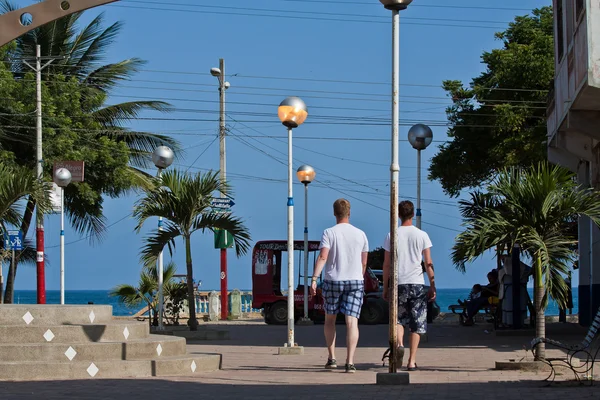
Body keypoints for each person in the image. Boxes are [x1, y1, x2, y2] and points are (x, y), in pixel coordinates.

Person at [310, 198, 369, 373]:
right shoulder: (361, 234)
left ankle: (332, 358)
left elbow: (323, 257)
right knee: (352, 322)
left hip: (333, 280)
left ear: (334, 213)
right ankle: (350, 362)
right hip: (355, 280)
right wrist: (359, 275)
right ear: (349, 213)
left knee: (330, 320)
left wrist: (314, 278)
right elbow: (364, 262)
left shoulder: (329, 233)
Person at [382, 200, 436, 371]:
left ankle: (398, 345)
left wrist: (385, 287)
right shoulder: (422, 235)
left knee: (398, 319)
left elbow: (386, 264)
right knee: (417, 323)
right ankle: (411, 361)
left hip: (398, 282)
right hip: (417, 283)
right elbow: (428, 262)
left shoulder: (392, 235)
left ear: (398, 215)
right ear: (413, 214)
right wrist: (433, 284)